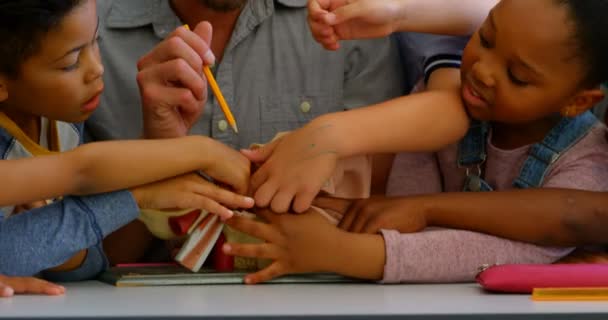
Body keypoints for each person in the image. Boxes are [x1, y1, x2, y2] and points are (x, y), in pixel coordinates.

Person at [223, 0, 608, 284]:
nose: (483, 72)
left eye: (518, 76)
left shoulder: (585, 162)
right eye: (486, 39)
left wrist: (346, 253)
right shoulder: (454, 101)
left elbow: (528, 252)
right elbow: (398, 212)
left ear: (577, 101)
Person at [89, 0, 473, 263]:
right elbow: (88, 256)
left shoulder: (344, 16)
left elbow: (376, 205)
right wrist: (157, 155)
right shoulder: (88, 39)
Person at [0, 0, 253, 282]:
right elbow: (81, 171)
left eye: (96, 41)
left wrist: (57, 239)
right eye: (70, 63)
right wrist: (198, 153)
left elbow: (89, 259)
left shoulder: (59, 116)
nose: (97, 69)